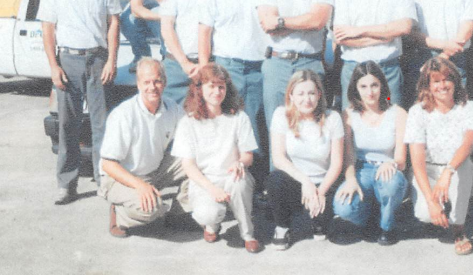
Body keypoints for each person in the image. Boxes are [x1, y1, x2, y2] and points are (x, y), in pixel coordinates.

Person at [37, 0, 122, 204]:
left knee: (101, 125)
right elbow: (48, 30)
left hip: (97, 60)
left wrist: (111, 60)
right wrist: (54, 67)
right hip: (68, 61)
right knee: (68, 125)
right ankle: (67, 184)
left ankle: (103, 180)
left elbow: (114, 24)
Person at [171, 64, 262, 253]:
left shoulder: (239, 117)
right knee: (208, 214)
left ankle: (248, 234)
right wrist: (211, 188)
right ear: (199, 89)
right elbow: (188, 166)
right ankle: (212, 225)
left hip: (232, 176)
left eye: (221, 86)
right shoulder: (188, 122)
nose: (217, 91)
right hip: (205, 180)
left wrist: (240, 163)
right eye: (211, 86)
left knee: (240, 182)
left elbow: (248, 156)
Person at [198, 0, 268, 184]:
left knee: (259, 125)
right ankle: (226, 180)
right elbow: (204, 33)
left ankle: (259, 184)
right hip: (227, 68)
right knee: (228, 125)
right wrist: (206, 72)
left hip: (260, 67)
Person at [99, 58, 187, 238]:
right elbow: (108, 164)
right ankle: (119, 214)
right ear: (138, 84)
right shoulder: (124, 115)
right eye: (146, 82)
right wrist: (140, 186)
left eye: (157, 81)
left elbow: (194, 135)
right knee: (153, 210)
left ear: (164, 83)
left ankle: (179, 213)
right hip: (119, 179)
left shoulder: (173, 108)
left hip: (153, 173)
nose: (152, 87)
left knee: (195, 159)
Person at [405, 57, 473, 256]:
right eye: (436, 81)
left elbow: (469, 142)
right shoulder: (417, 111)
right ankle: (442, 208)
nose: (442, 85)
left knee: (464, 165)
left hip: (456, 169)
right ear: (428, 85)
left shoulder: (470, 107)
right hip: (428, 170)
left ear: (456, 81)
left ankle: (459, 229)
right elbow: (417, 161)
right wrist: (431, 202)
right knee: (424, 213)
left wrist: (448, 172)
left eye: (447, 79)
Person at [257, 0, 333, 127]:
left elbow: (317, 21)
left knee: (312, 124)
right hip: (277, 63)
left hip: (310, 61)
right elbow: (268, 24)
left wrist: (281, 22)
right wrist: (303, 23)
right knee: (277, 126)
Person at [333, 0, 415, 109]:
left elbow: (404, 27)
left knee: (391, 115)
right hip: (354, 73)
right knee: (352, 121)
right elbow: (342, 37)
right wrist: (385, 36)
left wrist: (358, 31)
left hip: (387, 74)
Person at [267, 70, 344, 249]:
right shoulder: (281, 115)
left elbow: (337, 163)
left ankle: (318, 221)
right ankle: (282, 227)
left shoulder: (333, 118)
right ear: (291, 96)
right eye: (300, 93)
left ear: (319, 94)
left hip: (325, 182)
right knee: (275, 181)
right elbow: (278, 158)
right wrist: (306, 182)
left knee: (326, 221)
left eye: (311, 93)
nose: (306, 99)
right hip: (298, 182)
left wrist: (321, 191)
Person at [334, 61, 408, 246]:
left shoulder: (397, 112)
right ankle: (368, 218)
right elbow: (349, 156)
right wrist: (350, 179)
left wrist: (390, 163)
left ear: (382, 85)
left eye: (374, 85)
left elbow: (401, 159)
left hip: (389, 167)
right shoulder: (348, 114)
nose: (370, 92)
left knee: (391, 185)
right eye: (363, 86)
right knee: (343, 207)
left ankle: (386, 226)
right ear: (355, 89)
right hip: (361, 168)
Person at [160, 0, 216, 104]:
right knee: (172, 121)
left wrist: (204, 65)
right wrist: (184, 63)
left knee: (206, 121)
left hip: (209, 63)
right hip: (176, 65)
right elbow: (166, 28)